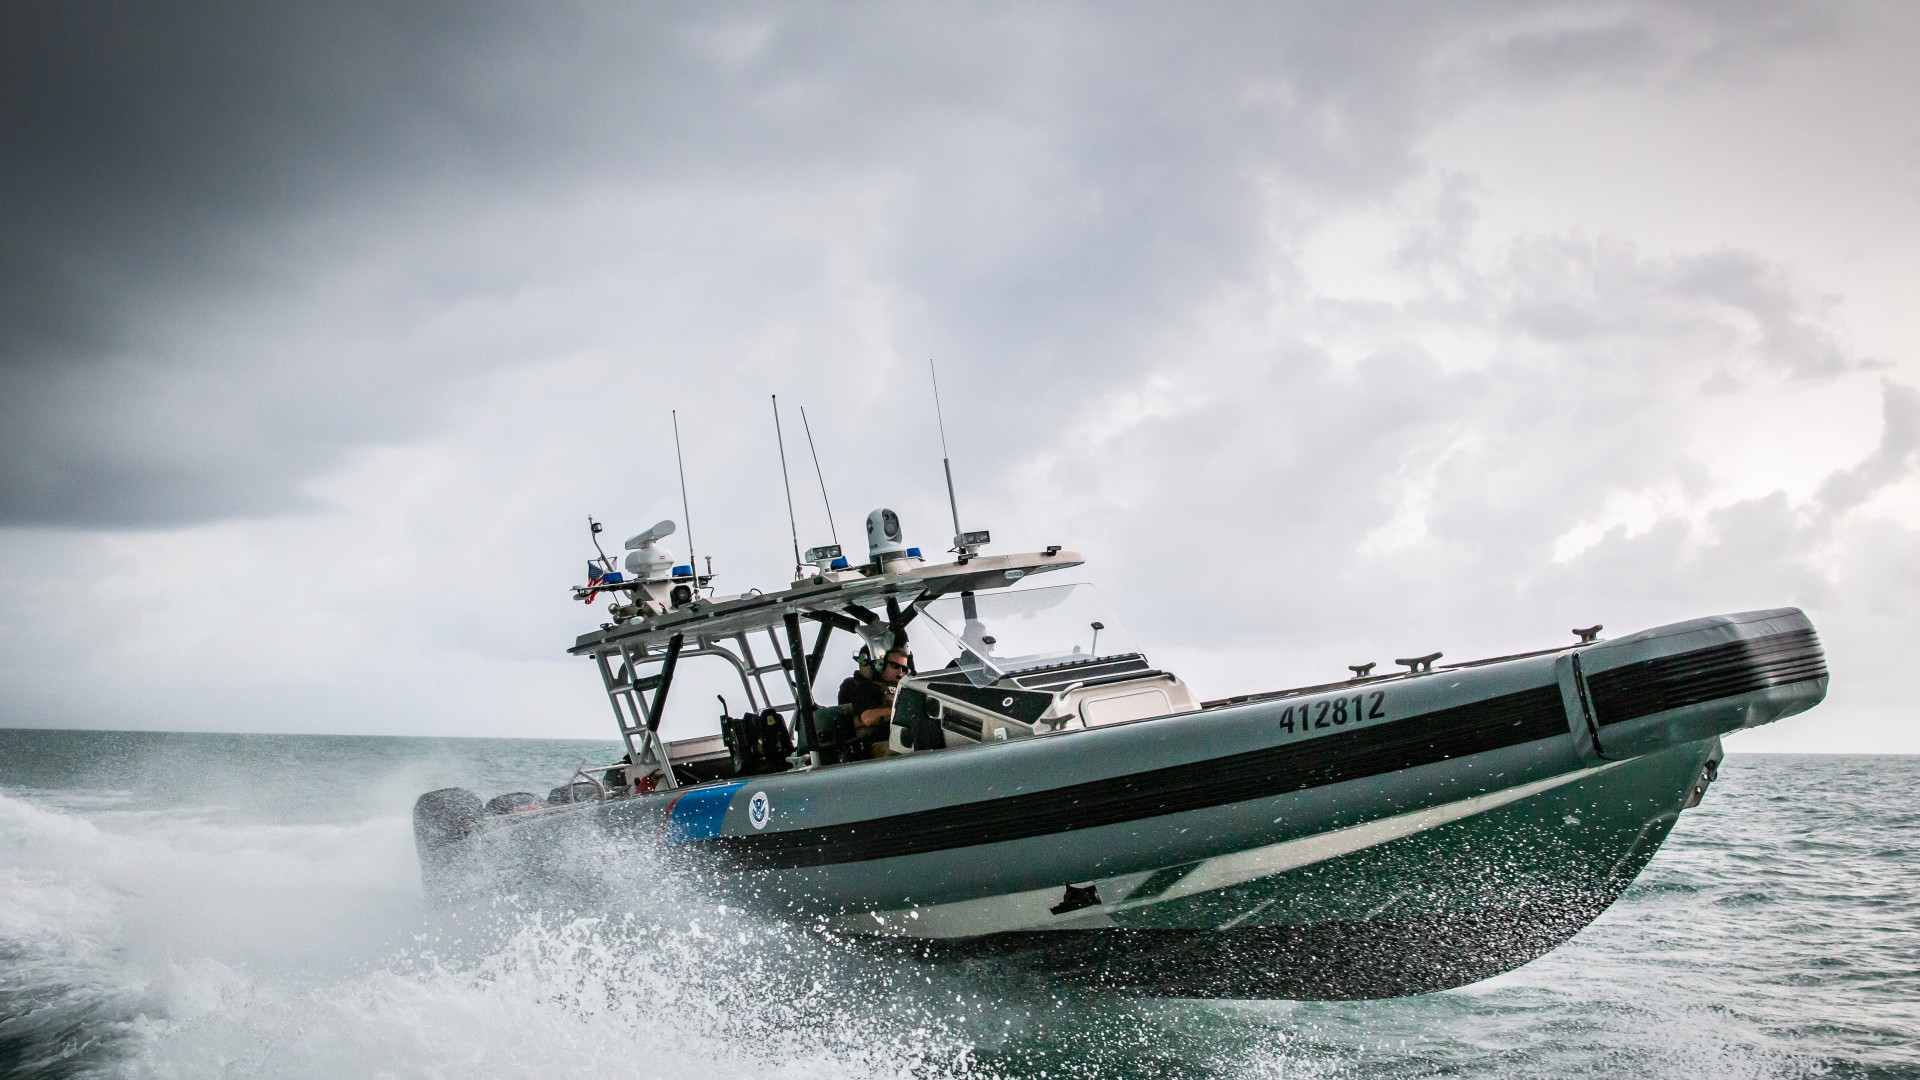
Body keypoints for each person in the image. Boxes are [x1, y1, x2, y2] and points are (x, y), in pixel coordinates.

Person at [838, 644, 909, 759]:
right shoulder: (863, 687)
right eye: (895, 665)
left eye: (904, 669)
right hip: (879, 744)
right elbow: (868, 718)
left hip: (903, 735)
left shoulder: (905, 688)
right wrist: (899, 711)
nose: (900, 671)